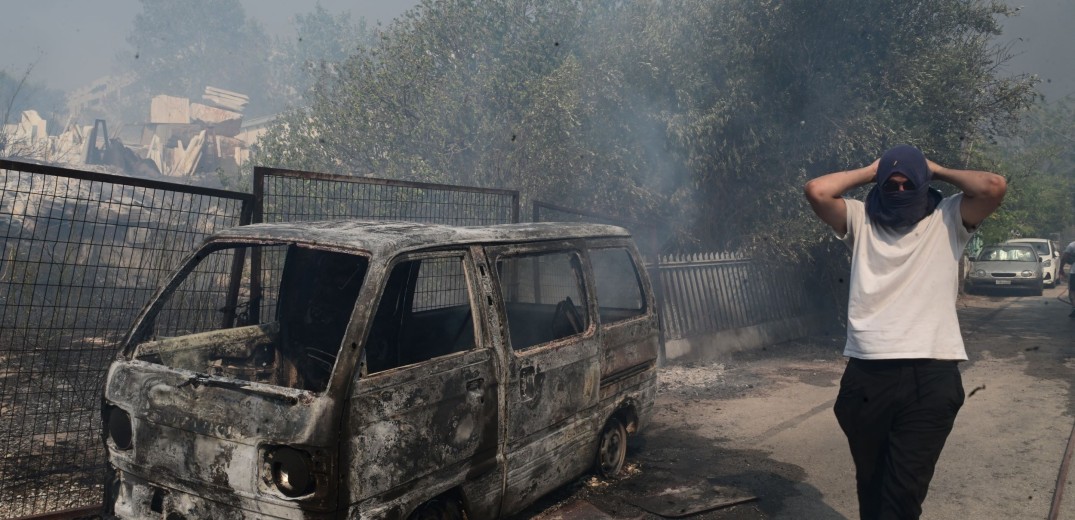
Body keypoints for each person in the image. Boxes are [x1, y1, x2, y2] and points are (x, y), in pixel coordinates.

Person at [803, 144, 1006, 520]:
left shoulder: (949, 218)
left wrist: (934, 168)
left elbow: (993, 186)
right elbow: (817, 190)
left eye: (907, 184)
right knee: (872, 485)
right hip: (867, 376)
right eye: (890, 185)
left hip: (930, 377)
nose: (899, 192)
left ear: (924, 185)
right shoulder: (861, 220)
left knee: (903, 494)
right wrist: (874, 168)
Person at [1061, 239, 1075, 317]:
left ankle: (1074, 308)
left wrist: (1061, 269)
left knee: (1072, 291)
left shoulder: (1072, 245)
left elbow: (1064, 258)